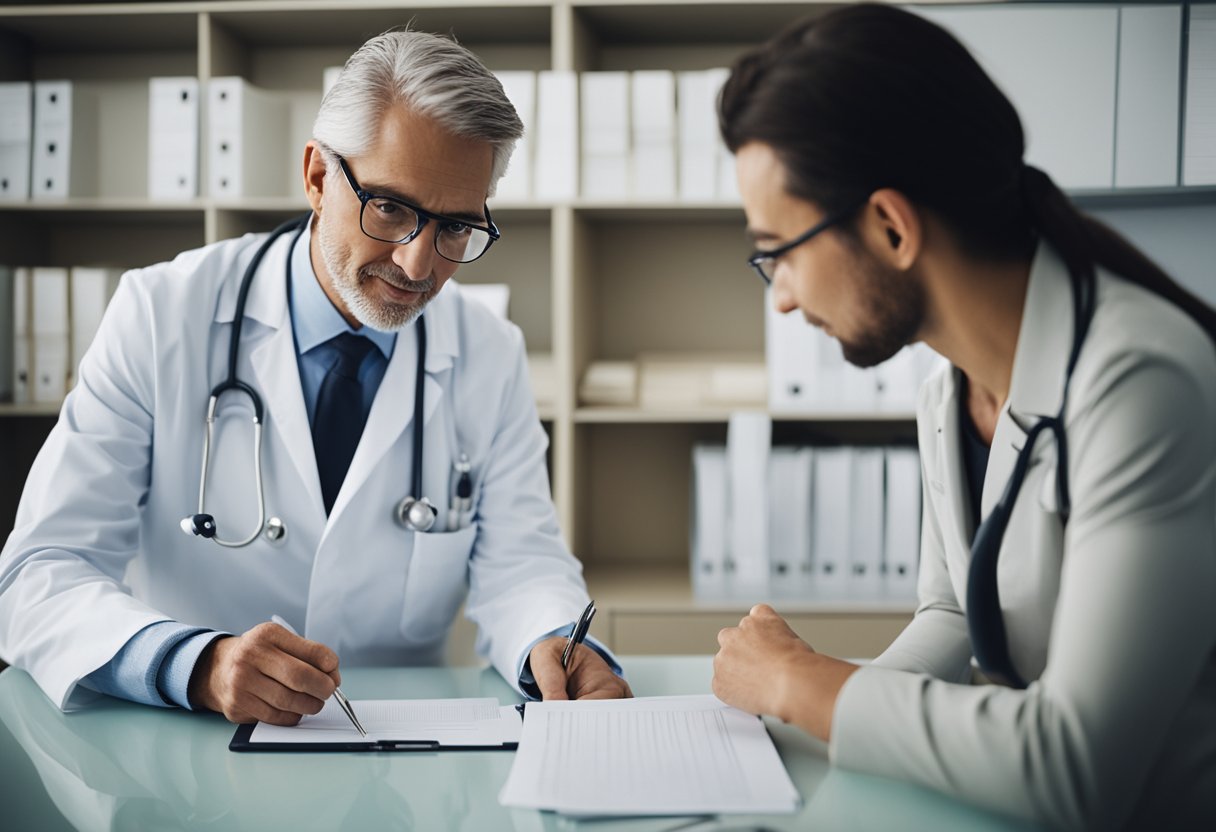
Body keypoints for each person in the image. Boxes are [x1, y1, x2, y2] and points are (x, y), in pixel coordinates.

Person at [0, 30, 629, 724]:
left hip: (400, 765)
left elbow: (521, 563)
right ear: (318, 176)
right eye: (390, 208)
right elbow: (38, 574)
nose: (418, 266)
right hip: (191, 754)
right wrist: (196, 663)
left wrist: (556, 642)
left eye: (455, 228)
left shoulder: (489, 352)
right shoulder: (161, 314)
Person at [711, 5, 1216, 830]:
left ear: (890, 226)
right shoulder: (948, 391)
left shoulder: (1140, 381)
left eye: (780, 253)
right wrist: (805, 706)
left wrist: (807, 686)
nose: (787, 298)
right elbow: (954, 618)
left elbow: (1071, 765)